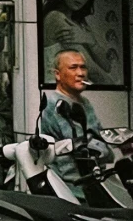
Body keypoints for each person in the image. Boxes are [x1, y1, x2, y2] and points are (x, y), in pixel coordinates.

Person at [41, 0, 120, 84]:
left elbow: (106, 65)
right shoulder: (56, 18)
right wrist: (118, 92)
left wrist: (89, 39)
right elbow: (93, 72)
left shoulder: (79, 22)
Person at [36, 49, 106, 189]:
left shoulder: (85, 103)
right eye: (73, 68)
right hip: (72, 188)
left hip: (94, 183)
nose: (81, 73)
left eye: (83, 67)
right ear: (58, 74)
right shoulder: (55, 105)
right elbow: (82, 147)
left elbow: (102, 142)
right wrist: (103, 148)